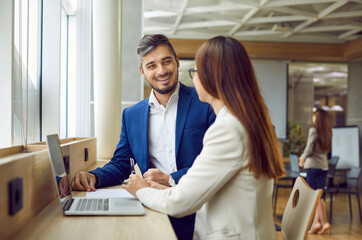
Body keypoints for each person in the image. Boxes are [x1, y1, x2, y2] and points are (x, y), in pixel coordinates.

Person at [123, 36, 285, 239]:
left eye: (196, 71)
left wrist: (141, 190)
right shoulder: (245, 120)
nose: (194, 78)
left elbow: (179, 203)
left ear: (213, 78)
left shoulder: (228, 130)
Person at [70, 34, 215, 240]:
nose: (161, 71)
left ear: (177, 61)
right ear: (142, 71)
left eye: (166, 62)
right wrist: (94, 176)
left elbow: (212, 164)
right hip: (153, 208)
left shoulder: (205, 103)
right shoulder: (131, 115)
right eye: (152, 65)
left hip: (199, 208)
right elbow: (122, 163)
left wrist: (171, 179)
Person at [299, 108, 332, 235]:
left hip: (313, 167)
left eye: (314, 116)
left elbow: (309, 148)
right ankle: (316, 223)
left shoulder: (313, 130)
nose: (312, 118)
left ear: (317, 118)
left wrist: (302, 158)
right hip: (323, 167)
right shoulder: (328, 132)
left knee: (315, 196)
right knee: (319, 195)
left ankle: (324, 222)